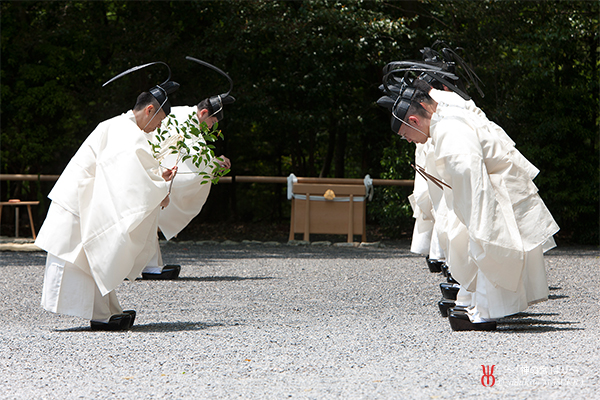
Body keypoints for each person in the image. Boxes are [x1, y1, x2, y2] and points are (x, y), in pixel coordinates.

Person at [387, 80, 559, 331]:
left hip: (490, 192)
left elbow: (472, 181)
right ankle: (472, 304)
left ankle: (484, 313)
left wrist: (476, 221)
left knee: (484, 243)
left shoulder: (449, 131)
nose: (409, 141)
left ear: (414, 120)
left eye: (406, 136)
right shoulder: (443, 123)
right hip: (483, 188)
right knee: (471, 244)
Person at [35, 81, 179, 331]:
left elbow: (131, 174)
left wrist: (160, 182)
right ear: (149, 110)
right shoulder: (126, 131)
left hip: (87, 199)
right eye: (159, 119)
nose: (159, 126)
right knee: (93, 253)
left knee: (97, 253)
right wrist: (161, 189)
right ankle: (102, 315)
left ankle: (110, 310)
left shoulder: (120, 126)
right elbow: (130, 178)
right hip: (82, 201)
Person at [140, 95, 234, 280]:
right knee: (145, 217)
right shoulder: (183, 118)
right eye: (212, 121)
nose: (211, 127)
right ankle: (144, 266)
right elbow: (191, 159)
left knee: (147, 219)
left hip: (151, 170)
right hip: (148, 170)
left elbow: (192, 154)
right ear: (204, 112)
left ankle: (147, 265)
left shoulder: (185, 115)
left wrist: (212, 162)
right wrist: (214, 163)